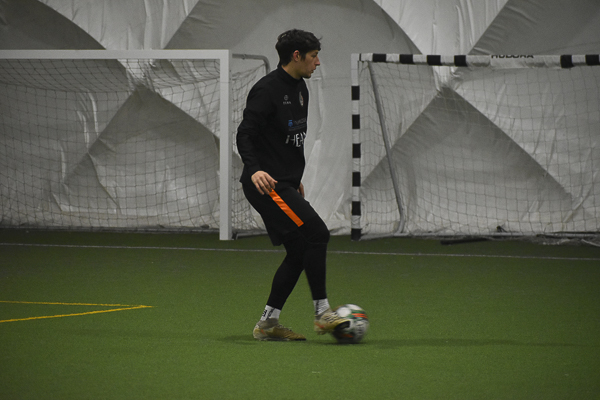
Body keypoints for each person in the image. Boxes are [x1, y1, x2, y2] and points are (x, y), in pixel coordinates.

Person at [236, 29, 349, 341]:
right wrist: (255, 169)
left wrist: (294, 180)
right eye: (313, 56)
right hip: (266, 184)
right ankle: (322, 313)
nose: (318, 63)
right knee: (318, 233)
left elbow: (287, 141)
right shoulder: (266, 90)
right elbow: (244, 134)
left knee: (299, 250)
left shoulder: (301, 88)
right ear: (296, 56)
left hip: (284, 183)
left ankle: (267, 325)